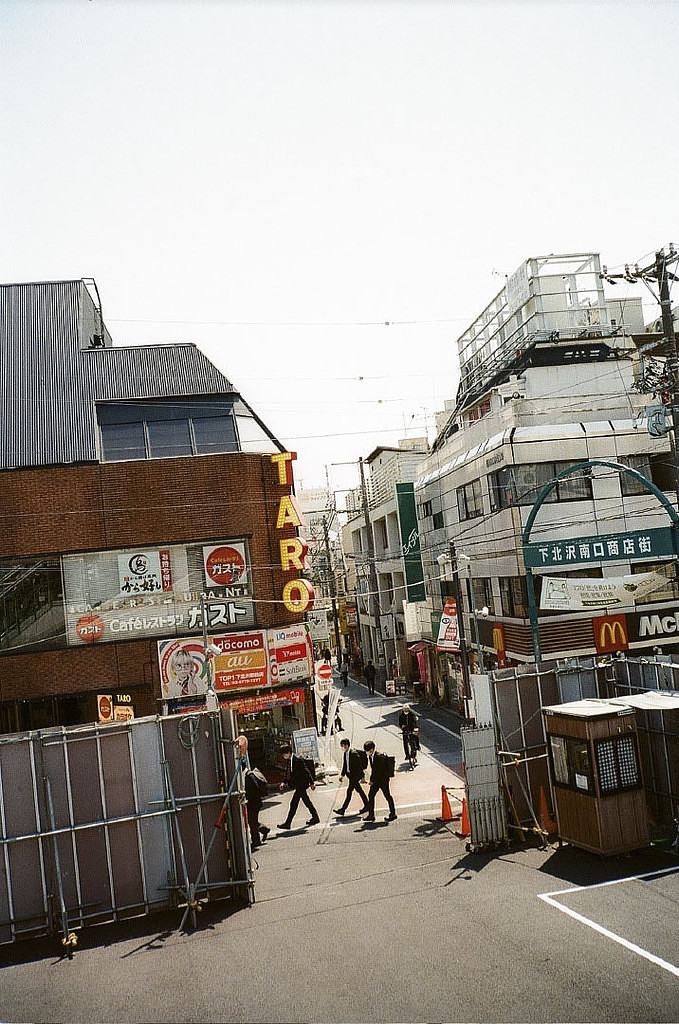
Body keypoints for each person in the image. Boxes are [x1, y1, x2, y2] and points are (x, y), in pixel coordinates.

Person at [277, 743, 319, 829]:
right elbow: (288, 773)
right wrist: (284, 782)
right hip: (298, 785)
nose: (283, 756)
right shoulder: (289, 761)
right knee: (307, 801)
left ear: (288, 752)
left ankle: (288, 823)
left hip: (302, 785)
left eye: (284, 754)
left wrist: (312, 783)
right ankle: (315, 817)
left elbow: (306, 771)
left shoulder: (297, 760)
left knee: (294, 803)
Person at [363, 740, 396, 822]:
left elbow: (379, 771)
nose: (366, 752)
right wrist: (372, 780)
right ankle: (371, 815)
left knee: (387, 796)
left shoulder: (379, 756)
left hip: (383, 780)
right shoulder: (371, 757)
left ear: (371, 749)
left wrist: (372, 780)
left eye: (367, 750)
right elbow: (374, 770)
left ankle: (393, 813)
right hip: (377, 781)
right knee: (371, 795)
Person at [335, 738, 369, 815]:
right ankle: (367, 805)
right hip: (350, 775)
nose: (342, 748)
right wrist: (342, 775)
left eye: (342, 746)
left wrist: (362, 777)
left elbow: (359, 766)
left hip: (355, 776)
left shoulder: (353, 754)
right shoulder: (345, 753)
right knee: (359, 791)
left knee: (349, 792)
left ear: (346, 745)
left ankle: (343, 809)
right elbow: (345, 765)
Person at [244, 766, 271, 850]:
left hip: (253, 803)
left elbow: (255, 789)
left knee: (252, 821)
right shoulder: (248, 775)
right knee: (251, 820)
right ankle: (264, 829)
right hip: (254, 803)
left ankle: (256, 841)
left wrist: (247, 797)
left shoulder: (249, 776)